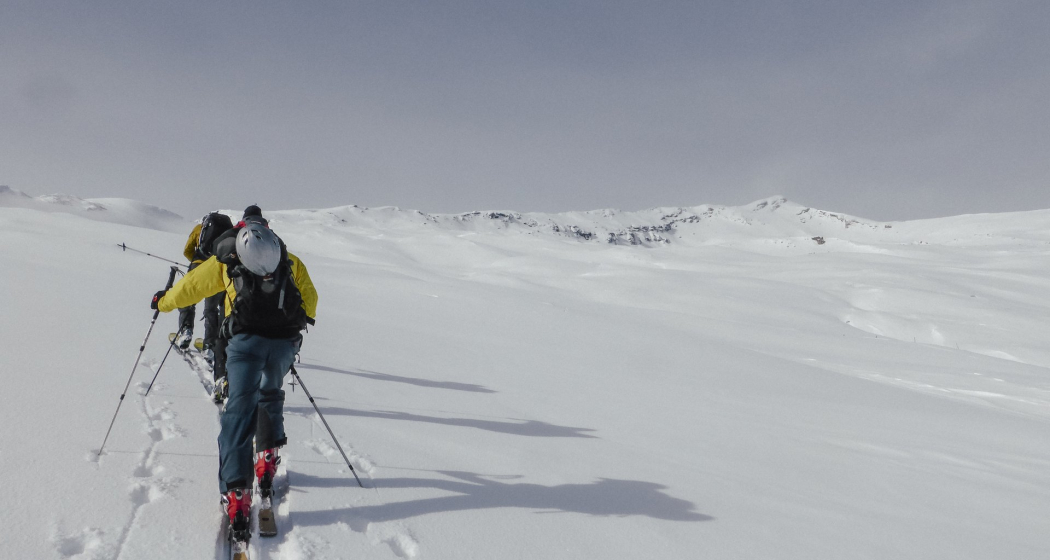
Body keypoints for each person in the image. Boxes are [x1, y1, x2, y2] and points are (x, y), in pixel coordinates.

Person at [150, 216, 317, 539]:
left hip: (244, 343)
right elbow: (310, 298)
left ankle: (237, 494)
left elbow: (192, 287)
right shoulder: (287, 257)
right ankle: (266, 460)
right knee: (270, 394)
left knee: (239, 411)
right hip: (283, 343)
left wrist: (165, 301)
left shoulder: (229, 257)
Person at [177, 212, 235, 395]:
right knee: (212, 309)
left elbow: (187, 250)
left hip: (197, 266)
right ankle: (210, 345)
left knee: (188, 299)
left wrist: (196, 263)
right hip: (217, 270)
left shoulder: (199, 229)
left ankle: (186, 330)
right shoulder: (227, 232)